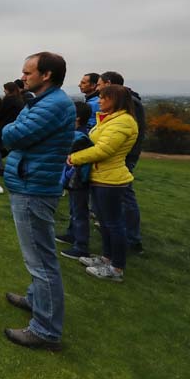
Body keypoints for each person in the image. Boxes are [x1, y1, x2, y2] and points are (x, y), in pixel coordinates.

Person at [2, 51, 75, 351]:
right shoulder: (42, 101)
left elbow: (13, 135)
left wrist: (8, 130)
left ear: (46, 75)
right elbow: (18, 130)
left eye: (27, 72)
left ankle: (45, 330)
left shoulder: (53, 104)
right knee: (38, 255)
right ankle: (36, 300)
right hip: (31, 182)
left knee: (41, 261)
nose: (22, 77)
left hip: (34, 187)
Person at [68, 84, 139, 282]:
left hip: (111, 180)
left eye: (103, 97)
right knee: (105, 222)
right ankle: (107, 258)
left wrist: (75, 158)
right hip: (100, 176)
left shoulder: (123, 122)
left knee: (113, 224)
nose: (99, 101)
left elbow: (104, 150)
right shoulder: (110, 119)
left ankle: (116, 268)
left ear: (115, 100)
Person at [98, 71, 146, 253]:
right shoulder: (127, 102)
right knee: (119, 198)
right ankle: (120, 234)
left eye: (100, 85)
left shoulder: (129, 103)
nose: (98, 89)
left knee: (125, 196)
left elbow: (127, 133)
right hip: (121, 155)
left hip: (123, 156)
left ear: (109, 84)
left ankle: (131, 239)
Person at [56, 101, 94, 260]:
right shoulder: (78, 134)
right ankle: (72, 234)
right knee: (74, 209)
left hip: (78, 180)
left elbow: (74, 160)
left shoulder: (80, 138)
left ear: (77, 117)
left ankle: (81, 246)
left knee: (79, 212)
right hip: (73, 179)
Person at [0, 82, 24, 175]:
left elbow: (1, 113)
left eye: (5, 89)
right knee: (4, 146)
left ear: (9, 90)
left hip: (2, 126)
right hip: (13, 126)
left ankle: (0, 167)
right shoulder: (19, 101)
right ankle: (0, 163)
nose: (4, 91)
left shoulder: (8, 100)